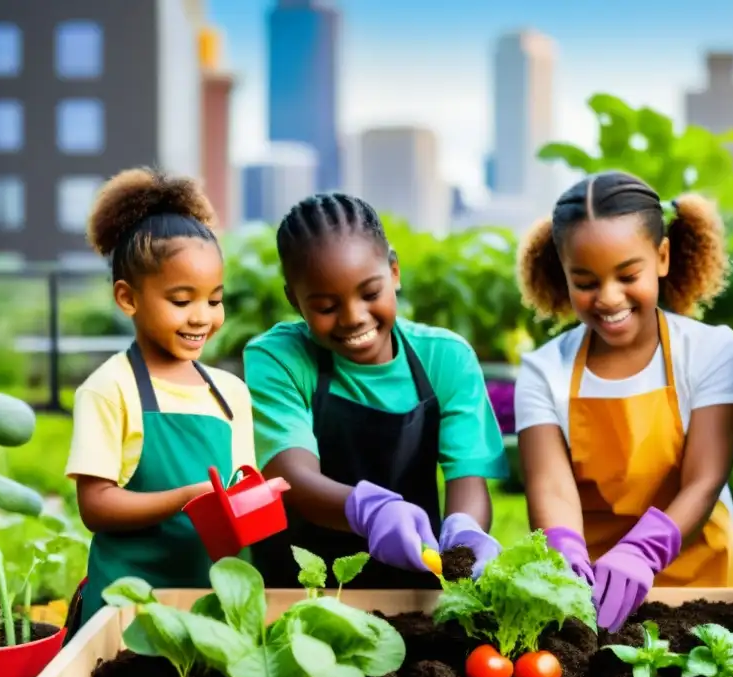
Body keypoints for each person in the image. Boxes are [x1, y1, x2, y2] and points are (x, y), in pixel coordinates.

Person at [514, 171, 733, 634]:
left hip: (708, 588)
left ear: (662, 257)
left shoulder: (710, 350)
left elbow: (704, 482)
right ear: (562, 274)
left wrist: (643, 550)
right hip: (595, 597)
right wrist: (566, 557)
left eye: (628, 275)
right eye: (584, 281)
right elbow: (551, 489)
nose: (608, 298)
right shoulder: (545, 370)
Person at [243, 192, 508, 589]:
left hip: (412, 586)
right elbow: (290, 474)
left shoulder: (446, 359)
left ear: (394, 271)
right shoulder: (278, 357)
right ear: (294, 301)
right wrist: (369, 511)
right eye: (326, 307)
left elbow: (467, 479)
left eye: (370, 293)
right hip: (300, 587)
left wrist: (465, 531)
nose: (353, 317)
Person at [63, 168, 256, 636]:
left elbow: (243, 490)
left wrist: (263, 498)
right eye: (181, 300)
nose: (202, 317)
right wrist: (187, 499)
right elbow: (96, 506)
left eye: (214, 300)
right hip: (129, 613)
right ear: (128, 298)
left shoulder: (231, 394)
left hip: (214, 611)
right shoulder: (110, 388)